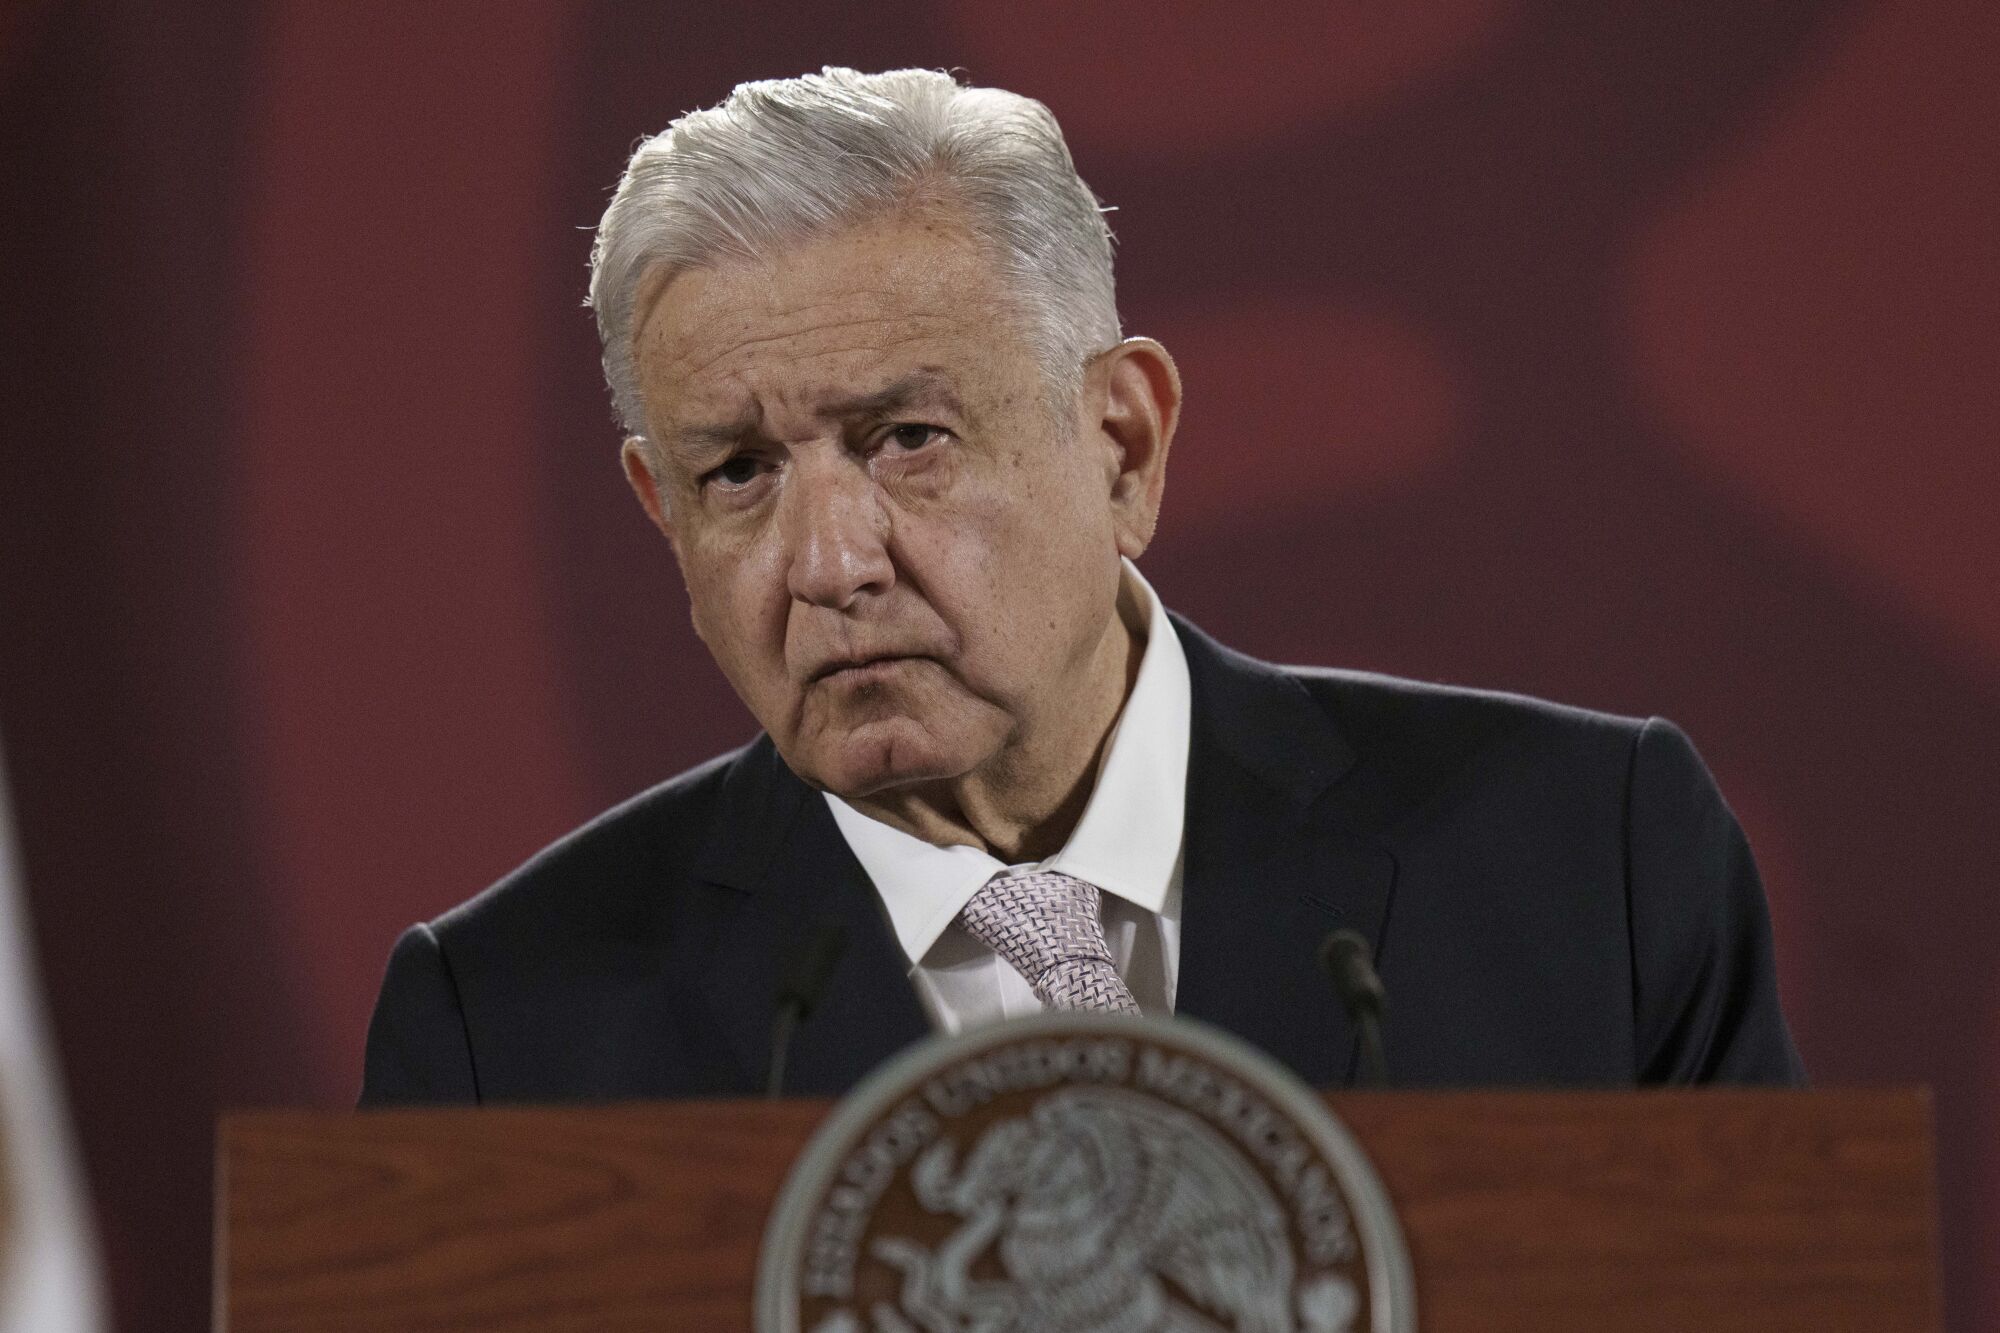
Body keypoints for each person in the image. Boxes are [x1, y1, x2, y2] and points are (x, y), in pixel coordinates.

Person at [361, 67, 1802, 1105]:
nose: (826, 562)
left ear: (1122, 444)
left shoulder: (1589, 867)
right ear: (657, 510)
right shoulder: (509, 1036)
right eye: (738, 473)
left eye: (906, 440)